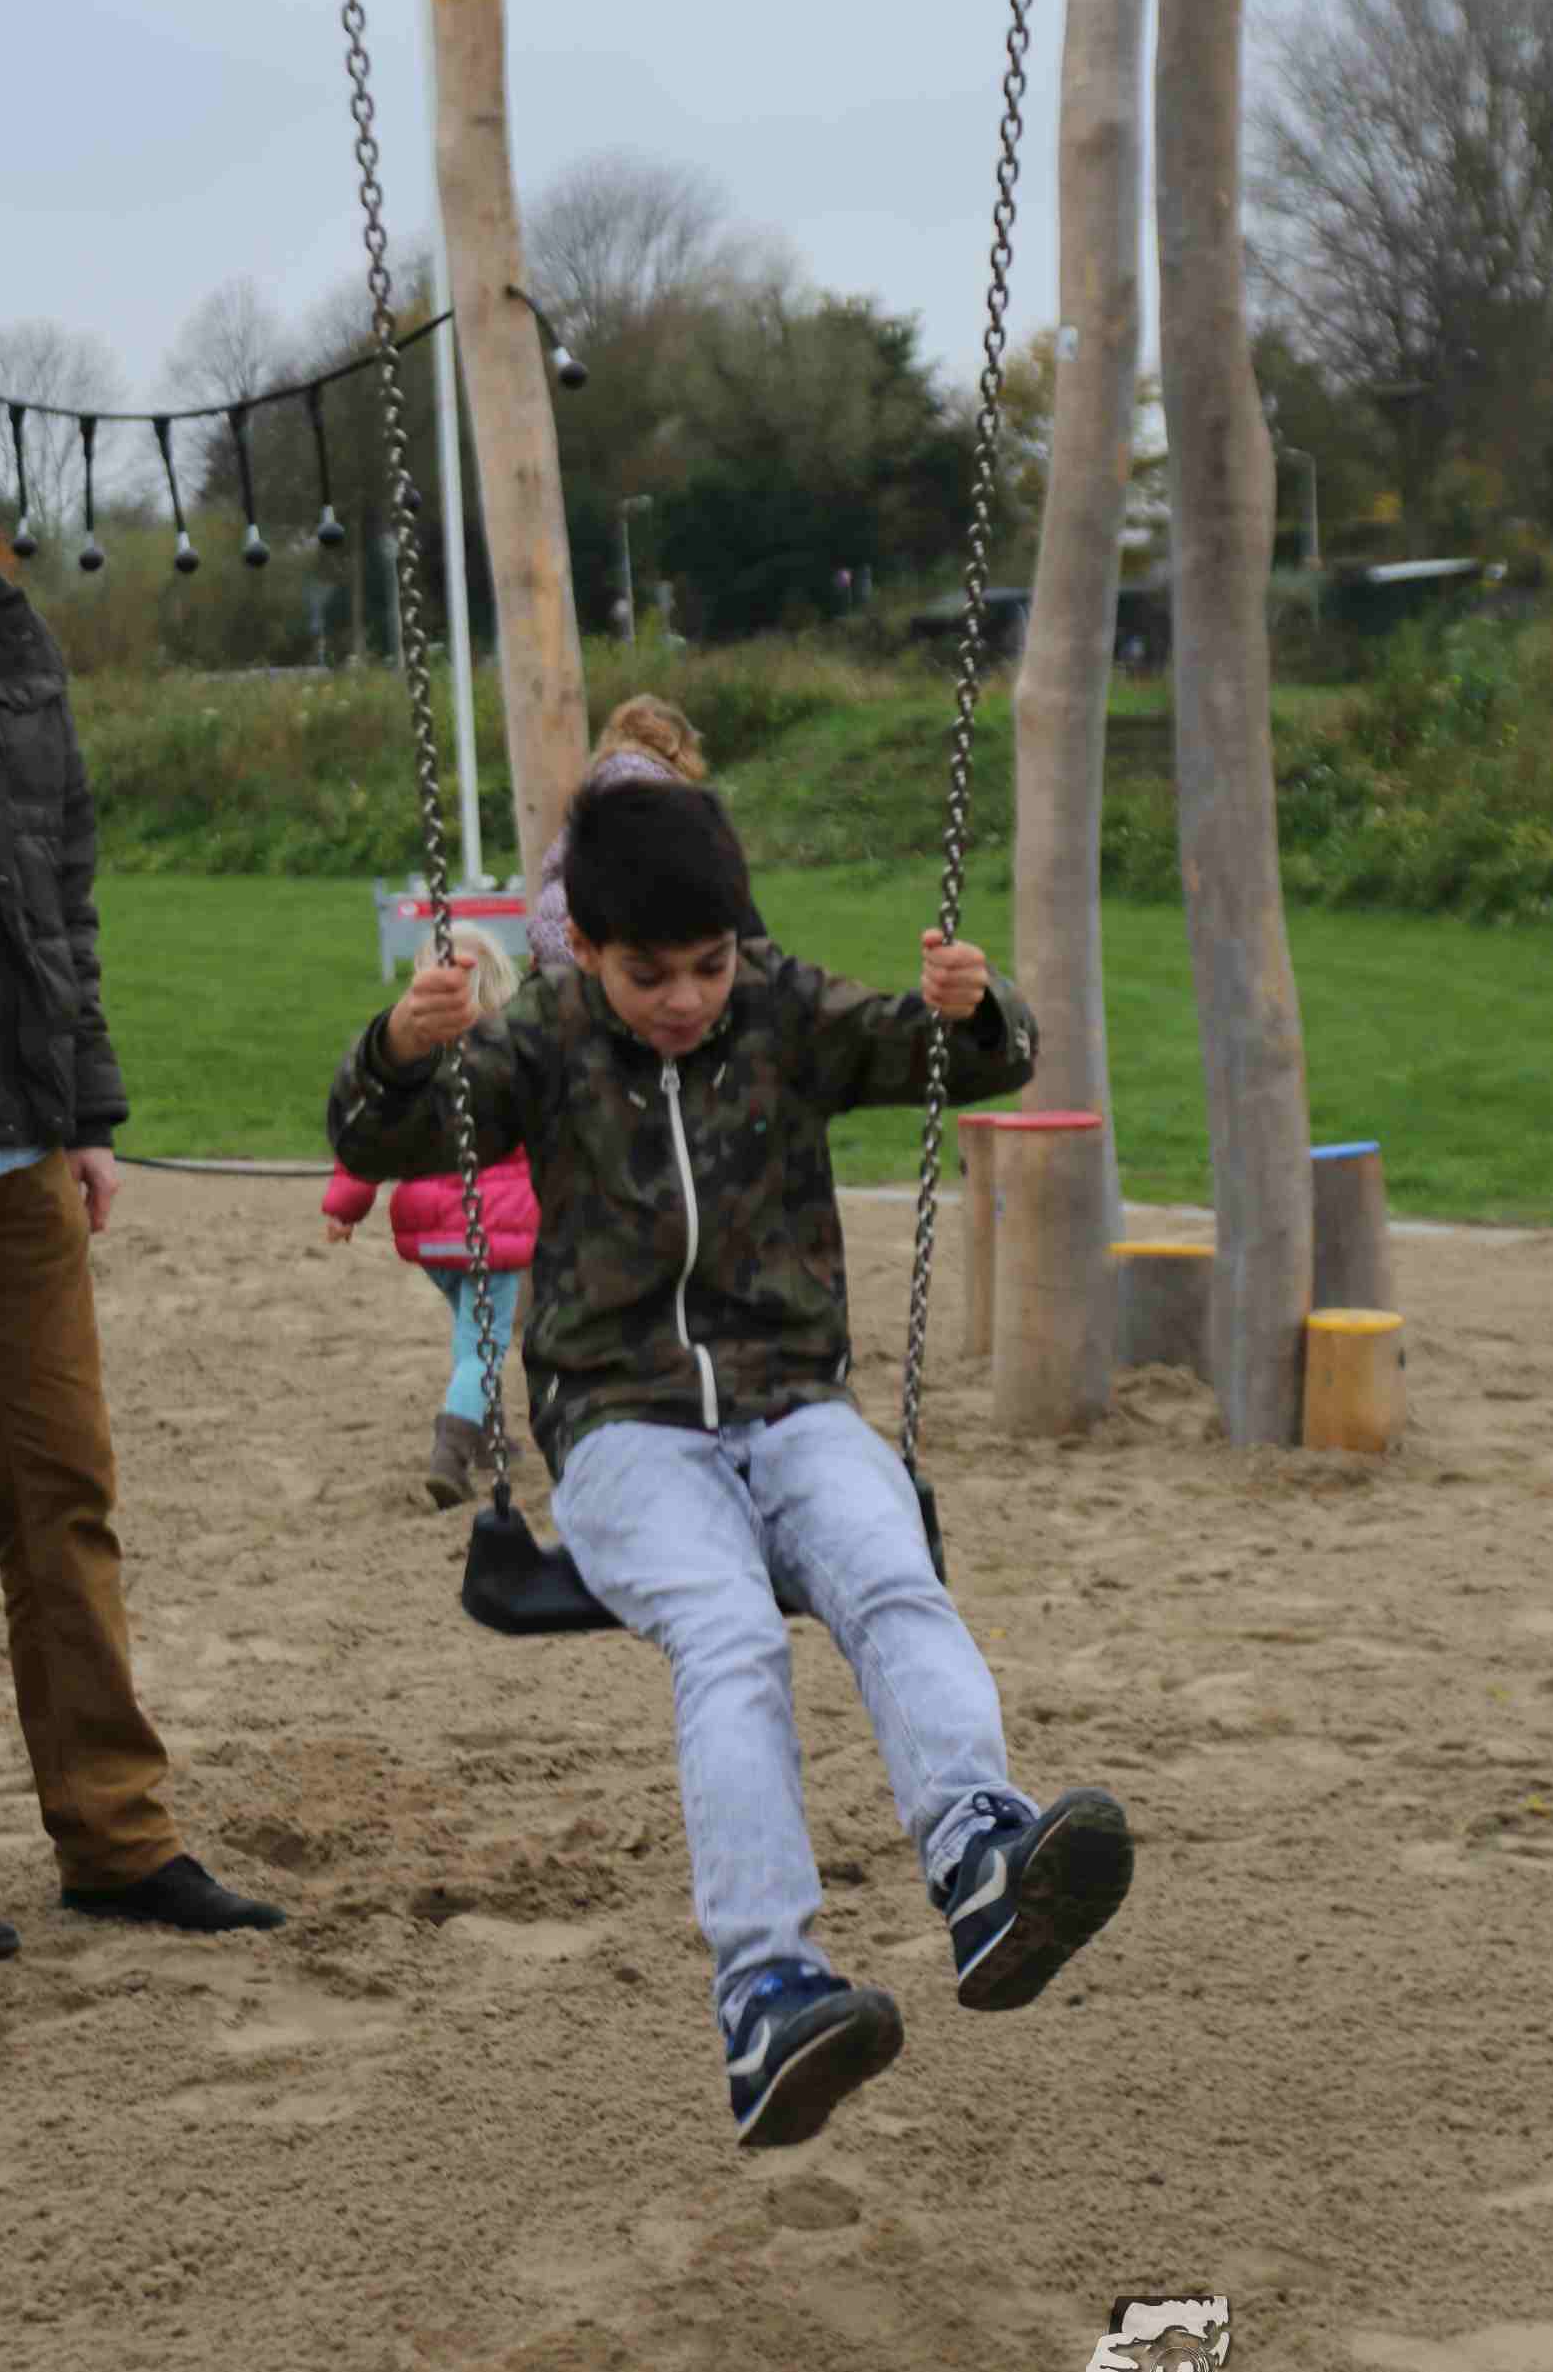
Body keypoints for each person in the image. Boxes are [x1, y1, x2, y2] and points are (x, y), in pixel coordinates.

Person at [327, 777, 1134, 2149]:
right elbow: (383, 1136)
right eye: (650, 975)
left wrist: (973, 1008)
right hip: (620, 1425)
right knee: (730, 1638)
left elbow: (970, 1062)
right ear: (587, 949)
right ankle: (767, 1990)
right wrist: (402, 1047)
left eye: (709, 966)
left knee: (891, 1574)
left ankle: (982, 1854)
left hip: (793, 1402)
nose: (687, 1000)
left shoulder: (780, 1009)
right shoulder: (546, 1040)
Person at [0, 286, 285, 1961]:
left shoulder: (6, 629)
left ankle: (115, 1836)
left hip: (21, 1151)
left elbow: (61, 884)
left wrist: (88, 1106)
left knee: (67, 1502)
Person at [322, 931, 539, 1507]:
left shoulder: (412, 1066)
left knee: (473, 1334)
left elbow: (371, 1144)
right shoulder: (512, 1062)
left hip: (431, 1241)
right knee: (483, 1347)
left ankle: (490, 1434)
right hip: (492, 1234)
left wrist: (343, 1207)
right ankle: (451, 1454)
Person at [525, 693, 765, 970]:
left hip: (558, 940)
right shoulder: (653, 796)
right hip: (612, 946)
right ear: (679, 746)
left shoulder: (598, 788)